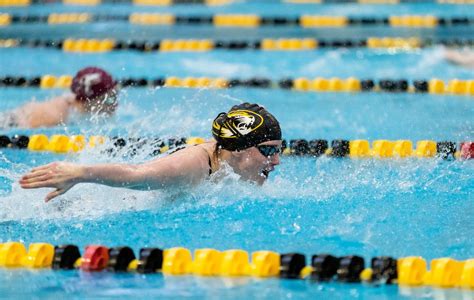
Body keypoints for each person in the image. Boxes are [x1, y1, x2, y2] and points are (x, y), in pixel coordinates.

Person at [20, 103, 282, 202]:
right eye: (268, 151)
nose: (277, 161)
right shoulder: (193, 165)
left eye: (279, 150)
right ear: (238, 149)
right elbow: (137, 175)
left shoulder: (234, 168)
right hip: (83, 206)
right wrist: (78, 173)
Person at [0, 67, 118, 129]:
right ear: (89, 100)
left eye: (115, 95)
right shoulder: (56, 116)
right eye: (109, 99)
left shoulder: (72, 107)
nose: (115, 104)